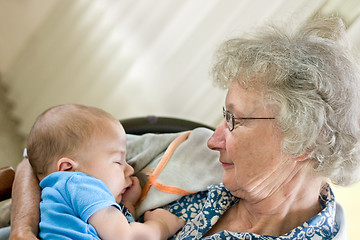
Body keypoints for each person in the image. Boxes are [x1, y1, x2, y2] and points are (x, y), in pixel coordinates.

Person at [8, 16, 360, 239]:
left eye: (235, 121)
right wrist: (24, 230)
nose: (215, 139)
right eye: (224, 115)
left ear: (302, 141)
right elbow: (42, 158)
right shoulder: (194, 152)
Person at [22, 104, 184, 240]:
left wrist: (127, 204)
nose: (130, 169)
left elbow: (110, 228)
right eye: (117, 161)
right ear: (68, 168)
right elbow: (126, 237)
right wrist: (161, 226)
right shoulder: (78, 183)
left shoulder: (59, 195)